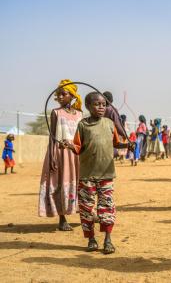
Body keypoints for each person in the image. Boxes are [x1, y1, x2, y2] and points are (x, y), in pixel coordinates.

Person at [64, 92, 132, 254]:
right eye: (97, 104)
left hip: (106, 175)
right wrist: (68, 145)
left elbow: (116, 143)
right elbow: (78, 147)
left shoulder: (109, 123)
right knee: (87, 208)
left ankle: (108, 240)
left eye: (103, 104)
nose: (101, 107)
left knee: (107, 207)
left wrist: (128, 145)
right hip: (87, 176)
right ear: (88, 106)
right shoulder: (82, 125)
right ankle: (91, 239)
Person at [38, 79, 82, 231]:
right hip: (60, 152)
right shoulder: (56, 113)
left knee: (81, 183)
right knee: (60, 182)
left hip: (75, 153)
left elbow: (82, 137)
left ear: (72, 96)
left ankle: (86, 213)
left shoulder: (80, 114)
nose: (61, 97)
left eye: (64, 94)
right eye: (59, 95)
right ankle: (62, 218)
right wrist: (51, 156)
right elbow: (52, 136)